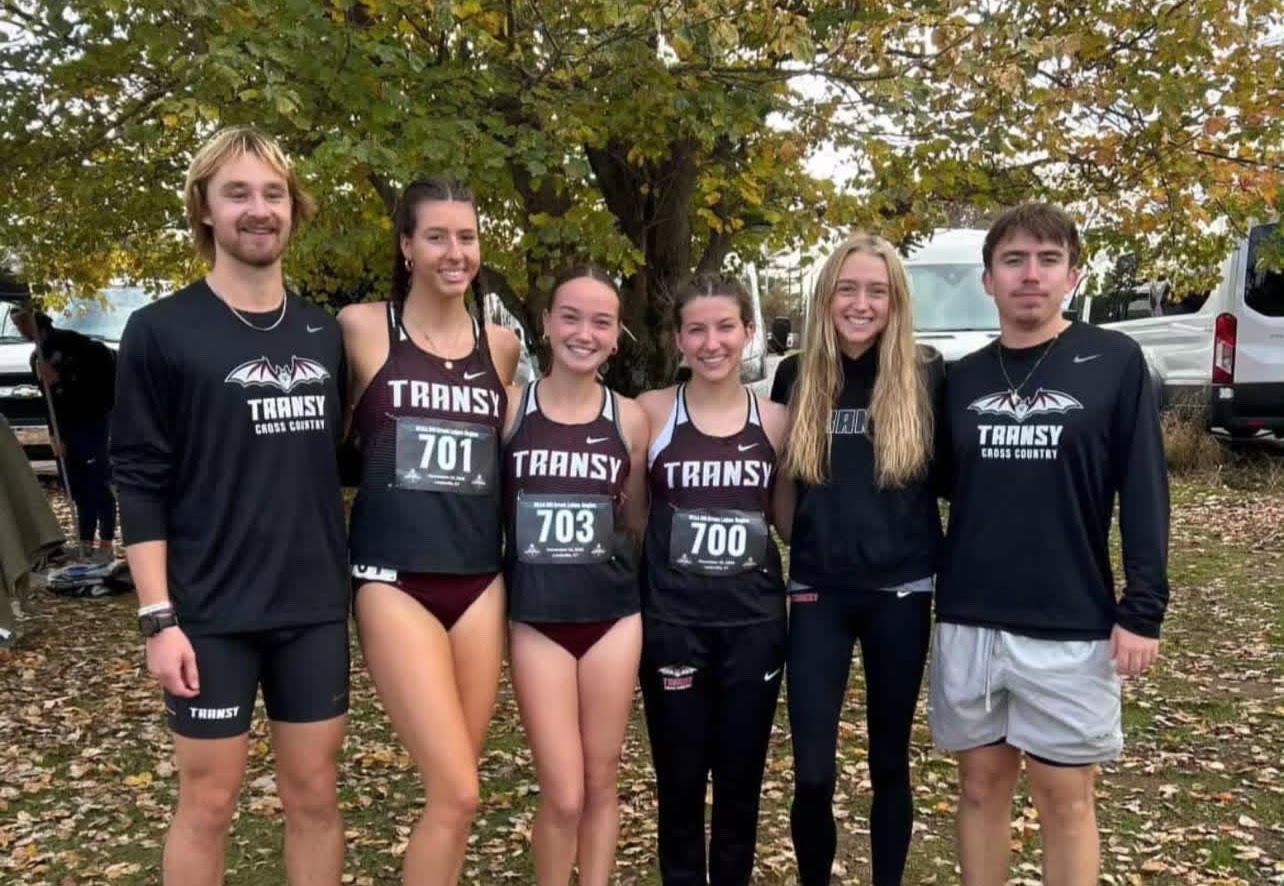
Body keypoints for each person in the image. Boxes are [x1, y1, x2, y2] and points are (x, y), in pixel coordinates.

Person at [110, 127, 350, 885]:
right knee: (208, 803)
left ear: (293, 210)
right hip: (209, 613)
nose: (259, 209)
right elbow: (138, 480)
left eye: (274, 194)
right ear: (204, 209)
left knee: (315, 797)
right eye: (237, 193)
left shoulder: (323, 333)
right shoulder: (160, 330)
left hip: (312, 609)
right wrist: (159, 620)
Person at [930, 203, 1169, 886]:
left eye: (1047, 259)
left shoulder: (1114, 362)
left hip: (1070, 620)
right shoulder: (962, 379)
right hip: (970, 616)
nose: (1030, 275)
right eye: (1013, 260)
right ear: (988, 279)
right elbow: (940, 487)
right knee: (980, 787)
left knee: (1064, 798)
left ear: (1073, 275)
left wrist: (1143, 607)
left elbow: (1145, 489)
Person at [339, 178, 520, 885]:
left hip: (478, 583)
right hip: (393, 581)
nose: (455, 252)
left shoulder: (499, 347)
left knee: (456, 798)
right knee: (459, 790)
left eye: (467, 237)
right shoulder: (361, 329)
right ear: (407, 247)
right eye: (437, 236)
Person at [770, 233, 946, 886]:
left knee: (889, 763)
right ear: (827, 296)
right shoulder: (796, 375)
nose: (861, 303)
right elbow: (781, 482)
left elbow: (960, 480)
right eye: (848, 289)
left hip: (901, 590)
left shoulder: (927, 375)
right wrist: (806, 539)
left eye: (877, 290)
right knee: (813, 772)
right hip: (819, 590)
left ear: (896, 300)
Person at [636, 275, 790, 886]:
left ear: (748, 332)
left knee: (739, 785)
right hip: (673, 623)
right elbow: (636, 517)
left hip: (753, 624)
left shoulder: (775, 420)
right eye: (696, 329)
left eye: (725, 327)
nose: (711, 343)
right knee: (678, 784)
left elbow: (784, 520)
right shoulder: (651, 413)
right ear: (678, 339)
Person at [501, 265, 648, 886]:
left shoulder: (629, 419)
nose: (584, 333)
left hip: (613, 617)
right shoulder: (512, 408)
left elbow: (635, 520)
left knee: (601, 780)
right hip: (537, 619)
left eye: (601, 322)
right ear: (545, 323)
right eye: (571, 317)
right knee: (563, 794)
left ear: (616, 337)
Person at [12, 304, 117, 556]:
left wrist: (64, 377)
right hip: (65, 427)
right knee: (76, 484)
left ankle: (106, 541)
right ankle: (85, 541)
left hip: (90, 422)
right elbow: (48, 400)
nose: (21, 330)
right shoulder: (37, 357)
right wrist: (54, 434)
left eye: (23, 323)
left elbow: (100, 380)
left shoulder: (75, 345)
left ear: (36, 320)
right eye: (17, 325)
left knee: (97, 482)